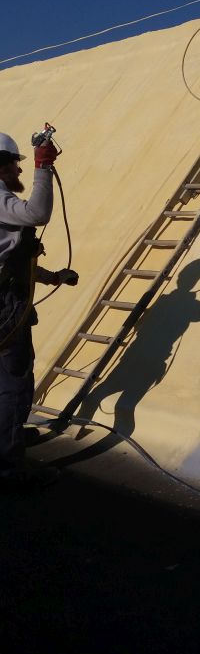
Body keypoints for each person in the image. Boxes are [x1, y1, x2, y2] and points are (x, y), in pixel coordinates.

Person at [0, 132, 79, 490]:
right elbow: (37, 212)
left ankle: (9, 436)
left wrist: (52, 277)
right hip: (5, 308)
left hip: (7, 300)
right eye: (13, 164)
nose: (19, 170)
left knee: (6, 380)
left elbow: (11, 262)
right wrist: (42, 166)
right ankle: (9, 465)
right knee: (14, 383)